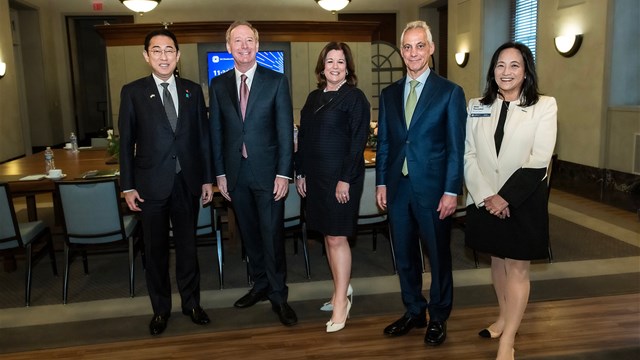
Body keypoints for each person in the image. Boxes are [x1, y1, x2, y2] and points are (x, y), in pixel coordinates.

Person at [375, 20, 467, 346]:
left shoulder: (450, 92)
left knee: (439, 257)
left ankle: (438, 317)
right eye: (408, 47)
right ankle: (414, 310)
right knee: (403, 255)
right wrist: (381, 184)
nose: (413, 52)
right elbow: (385, 143)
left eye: (419, 45)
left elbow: (457, 147)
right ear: (402, 52)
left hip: (434, 190)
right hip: (397, 190)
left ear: (430, 49)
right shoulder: (388, 94)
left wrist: (451, 189)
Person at [464, 42, 557, 360]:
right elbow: (469, 154)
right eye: (500, 65)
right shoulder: (476, 105)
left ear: (526, 70)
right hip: (484, 198)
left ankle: (508, 341)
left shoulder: (545, 106)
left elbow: (540, 159)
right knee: (498, 262)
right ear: (492, 70)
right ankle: (503, 318)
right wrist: (487, 194)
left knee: (517, 269)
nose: (506, 72)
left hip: (523, 200)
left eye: (514, 65)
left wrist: (505, 197)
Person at [118, 28, 214, 336]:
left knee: (188, 249)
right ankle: (160, 309)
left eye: (169, 50)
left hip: (187, 183)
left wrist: (208, 180)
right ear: (146, 56)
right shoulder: (132, 92)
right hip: (150, 186)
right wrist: (128, 185)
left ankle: (192, 304)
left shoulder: (192, 91)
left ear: (178, 55)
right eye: (157, 50)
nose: (164, 56)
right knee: (155, 251)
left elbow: (203, 139)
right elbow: (126, 143)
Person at [209, 21, 297, 326]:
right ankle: (260, 285)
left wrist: (284, 174)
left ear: (257, 46)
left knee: (272, 235)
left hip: (269, 174)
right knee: (249, 235)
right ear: (228, 47)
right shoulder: (218, 85)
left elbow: (285, 131)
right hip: (235, 175)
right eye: (238, 41)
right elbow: (216, 132)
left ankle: (278, 295)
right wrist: (220, 173)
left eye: (249, 40)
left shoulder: (276, 81)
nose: (244, 46)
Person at [294, 42, 370, 333]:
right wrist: (300, 172)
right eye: (330, 61)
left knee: (337, 237)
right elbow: (304, 139)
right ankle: (341, 289)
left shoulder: (354, 98)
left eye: (341, 62)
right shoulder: (313, 98)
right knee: (327, 236)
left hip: (341, 179)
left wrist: (345, 179)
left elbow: (357, 142)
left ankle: (341, 301)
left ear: (348, 67)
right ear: (321, 67)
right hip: (315, 178)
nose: (335, 66)